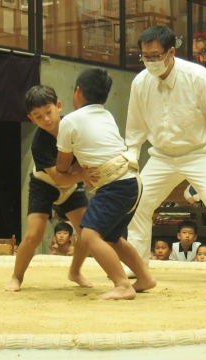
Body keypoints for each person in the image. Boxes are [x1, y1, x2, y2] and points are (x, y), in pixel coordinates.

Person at [124, 25, 206, 284]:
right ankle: (136, 262)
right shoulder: (140, 82)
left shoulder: (198, 76)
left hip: (199, 153)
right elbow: (135, 124)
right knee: (137, 205)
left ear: (171, 52)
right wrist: (132, 153)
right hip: (161, 156)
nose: (150, 61)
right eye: (145, 56)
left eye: (156, 55)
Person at [56, 67, 156, 300]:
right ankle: (144, 278)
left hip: (115, 185)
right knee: (111, 238)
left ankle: (122, 284)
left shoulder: (69, 121)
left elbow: (61, 167)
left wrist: (73, 172)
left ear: (77, 91)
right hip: (132, 181)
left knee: (89, 236)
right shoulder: (106, 115)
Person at [6, 85, 93, 293]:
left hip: (72, 182)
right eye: (38, 116)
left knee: (89, 233)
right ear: (31, 119)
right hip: (44, 184)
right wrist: (84, 176)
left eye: (48, 112)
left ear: (58, 106)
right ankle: (16, 277)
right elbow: (56, 177)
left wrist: (85, 174)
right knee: (35, 234)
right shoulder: (38, 143)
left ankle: (75, 271)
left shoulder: (74, 127)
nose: (45, 119)